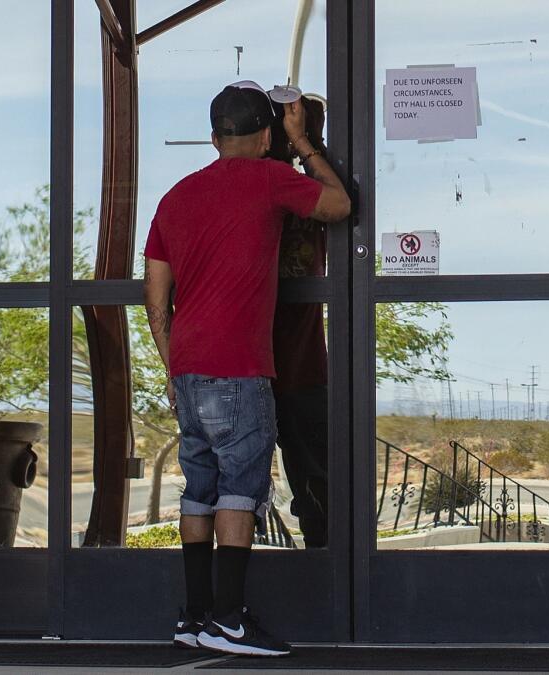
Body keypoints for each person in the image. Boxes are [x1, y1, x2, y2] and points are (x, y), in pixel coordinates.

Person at [142, 80, 350, 657]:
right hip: (240, 369)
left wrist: (172, 362)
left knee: (199, 490)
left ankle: (194, 616)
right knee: (239, 490)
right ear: (264, 137)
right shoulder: (267, 178)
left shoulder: (174, 198)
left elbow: (156, 297)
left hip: (187, 368)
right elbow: (338, 204)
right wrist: (303, 143)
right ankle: (231, 621)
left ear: (213, 138)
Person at [267, 94, 330, 548]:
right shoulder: (275, 187)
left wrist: (300, 141)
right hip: (276, 364)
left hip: (290, 364)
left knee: (313, 480)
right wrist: (304, 140)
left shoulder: (303, 192)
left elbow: (337, 198)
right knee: (313, 477)